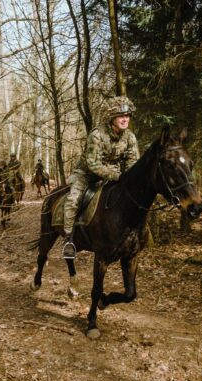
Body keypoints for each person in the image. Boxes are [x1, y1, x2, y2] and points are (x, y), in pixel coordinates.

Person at [62, 96, 140, 259]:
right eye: (121, 116)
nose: (125, 119)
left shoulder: (130, 137)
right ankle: (68, 239)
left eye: (127, 116)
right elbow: (93, 164)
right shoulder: (97, 135)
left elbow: (133, 162)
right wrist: (117, 176)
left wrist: (130, 179)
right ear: (112, 117)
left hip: (115, 176)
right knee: (72, 200)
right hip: (87, 175)